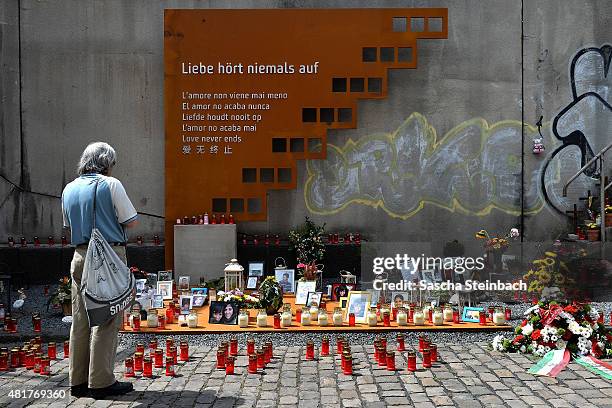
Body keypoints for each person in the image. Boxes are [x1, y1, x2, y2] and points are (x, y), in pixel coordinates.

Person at [62, 142, 137, 399]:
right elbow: (131, 219)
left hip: (80, 255)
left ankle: (77, 380)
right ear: (107, 163)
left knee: (80, 318)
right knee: (107, 315)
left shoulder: (69, 188)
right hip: (108, 254)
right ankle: (101, 380)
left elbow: (67, 224)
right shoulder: (111, 185)